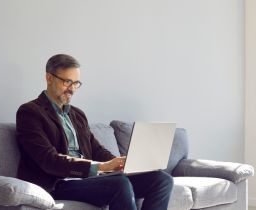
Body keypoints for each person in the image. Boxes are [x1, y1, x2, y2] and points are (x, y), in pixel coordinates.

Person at [16, 54, 174, 210]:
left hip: (86, 180)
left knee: (161, 180)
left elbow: (96, 149)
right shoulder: (30, 112)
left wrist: (120, 164)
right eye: (67, 82)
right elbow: (48, 160)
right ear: (49, 78)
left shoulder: (77, 115)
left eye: (76, 83)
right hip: (56, 183)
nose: (72, 89)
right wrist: (101, 167)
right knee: (119, 184)